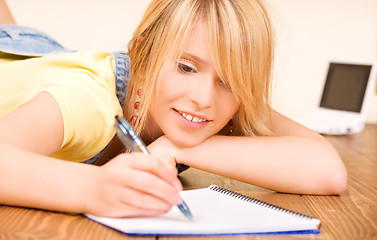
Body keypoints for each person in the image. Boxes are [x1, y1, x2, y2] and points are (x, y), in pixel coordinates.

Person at [0, 0, 347, 218]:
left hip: (38, 52)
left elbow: (328, 171)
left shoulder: (219, 100)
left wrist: (175, 145)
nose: (204, 98)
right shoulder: (87, 101)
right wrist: (95, 188)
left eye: (229, 80)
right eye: (186, 67)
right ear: (143, 55)